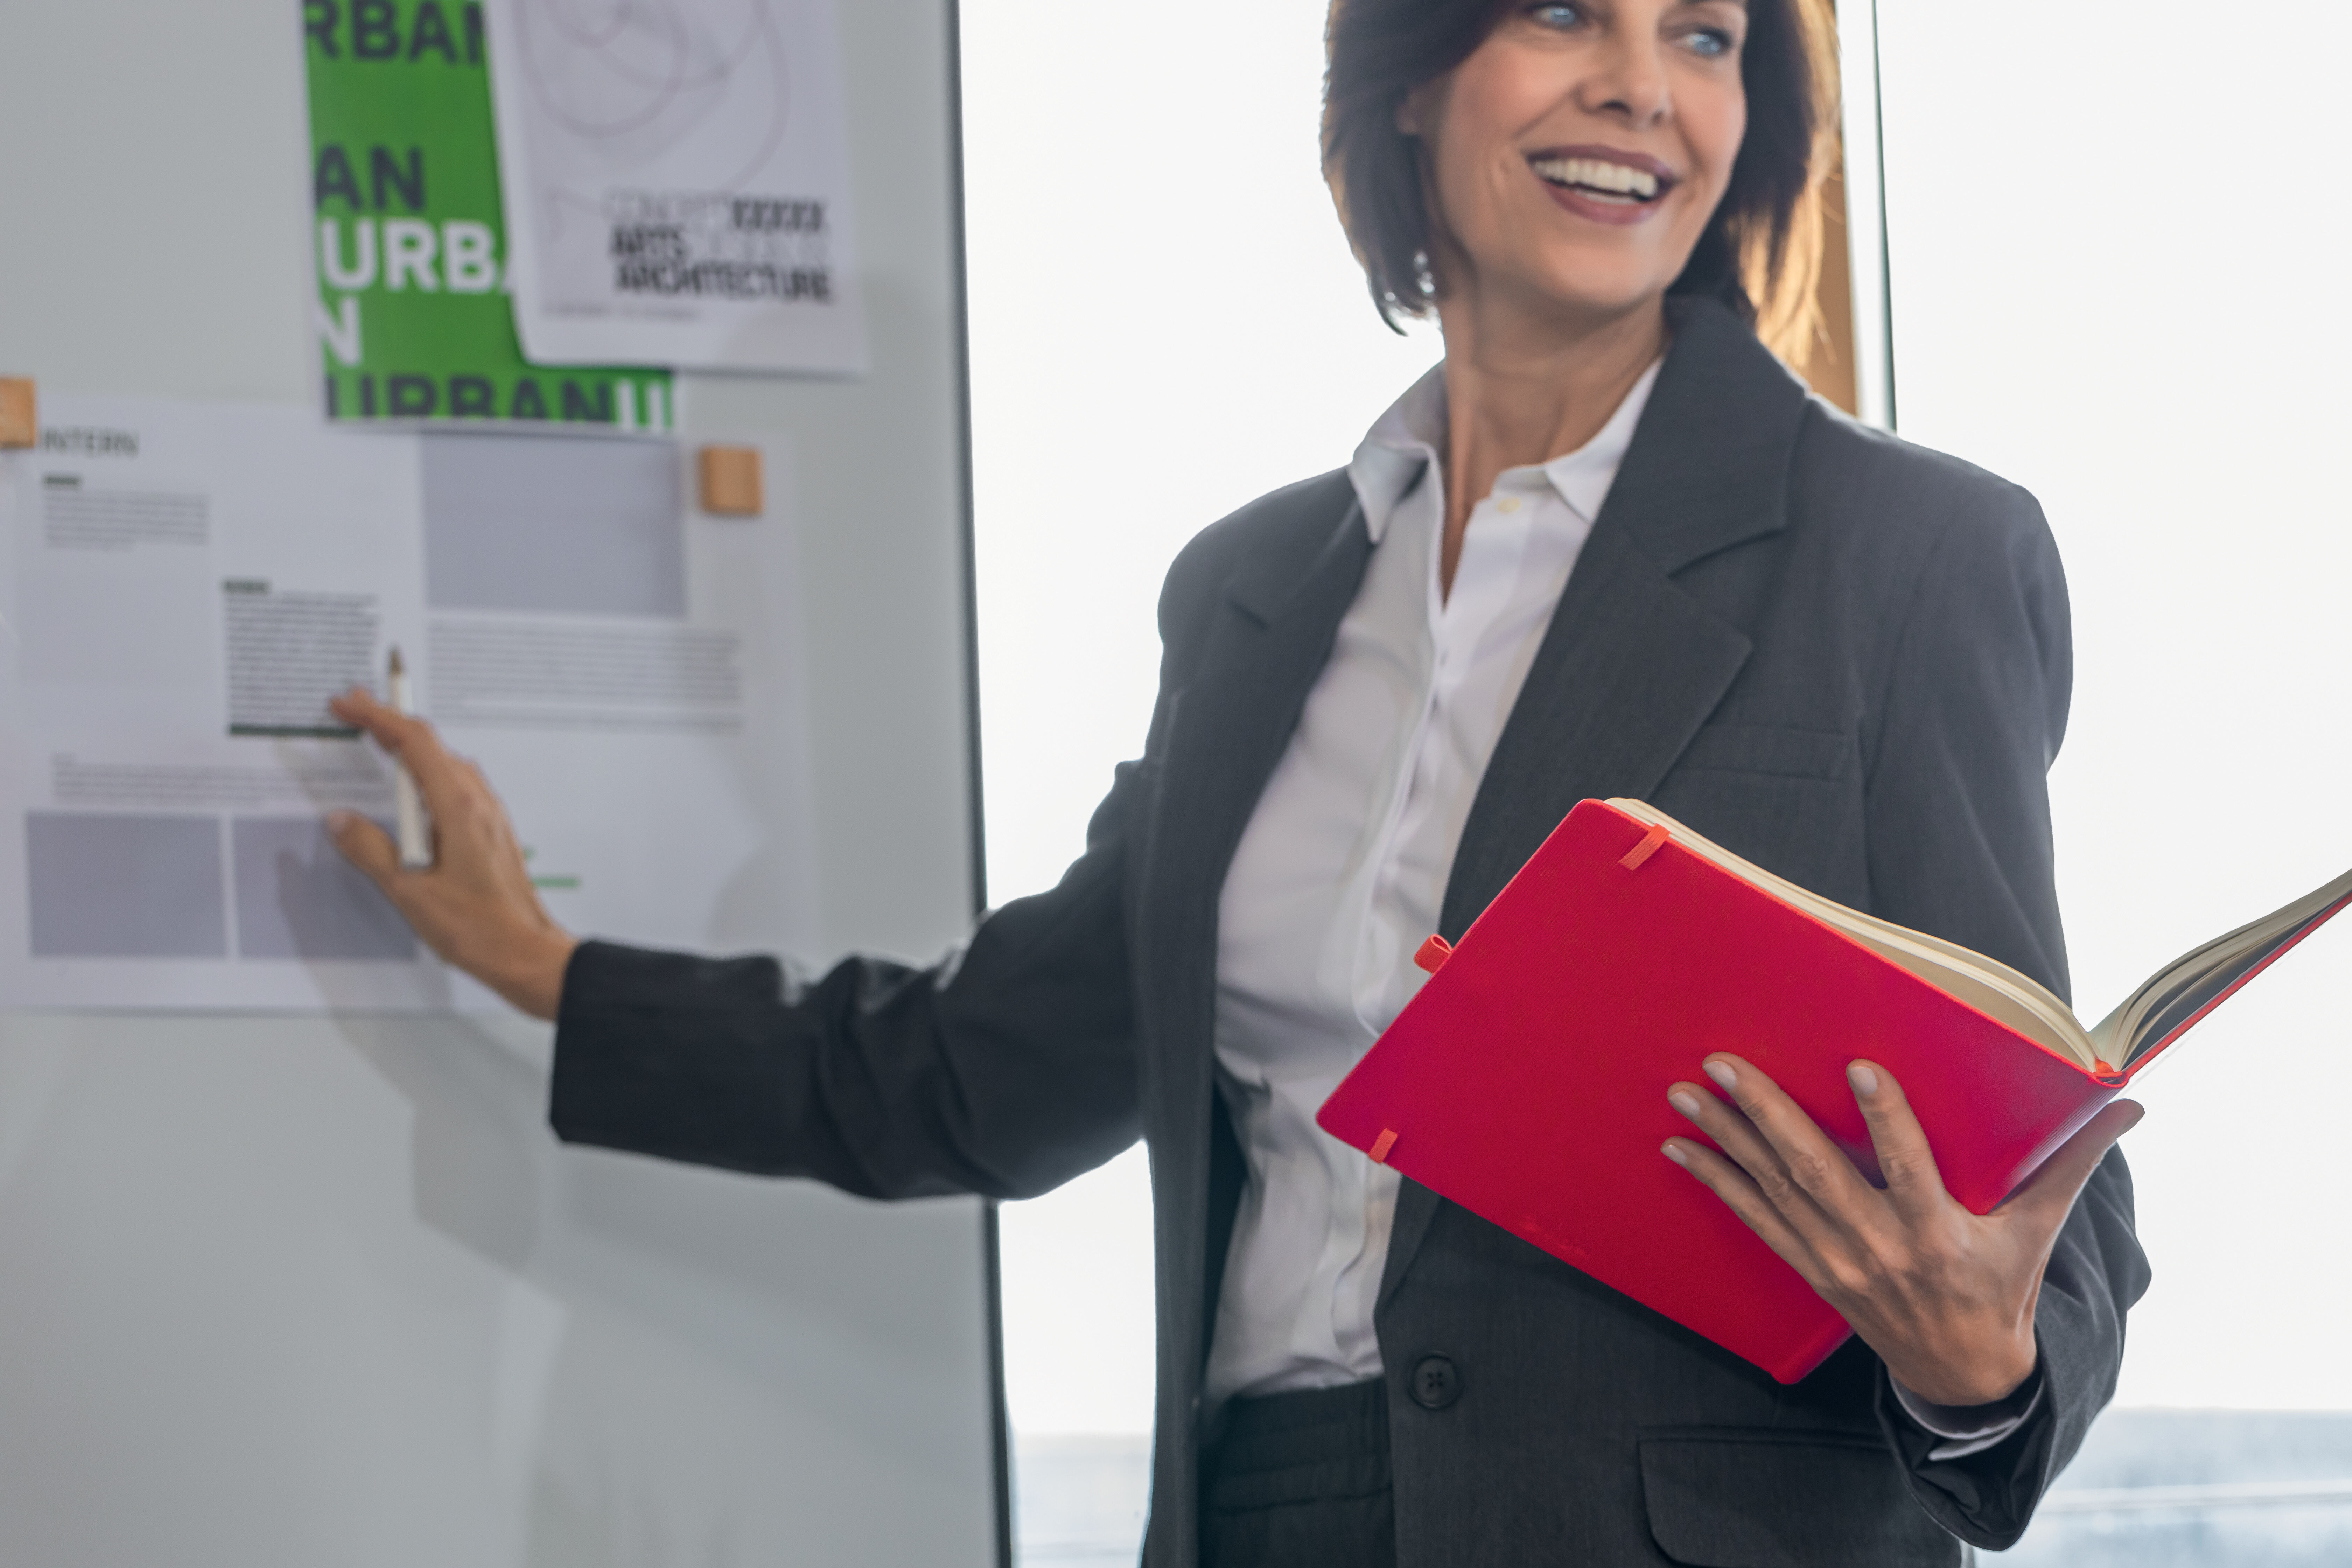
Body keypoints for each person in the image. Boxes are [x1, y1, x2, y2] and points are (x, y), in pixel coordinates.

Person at [329, 0, 2149, 1561]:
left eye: (1705, 35)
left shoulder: (1911, 555)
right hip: (1265, 1512)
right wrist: (547, 971)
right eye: (1560, 13)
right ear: (1415, 75)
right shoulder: (1256, 592)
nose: (1639, 85)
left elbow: (2042, 1181)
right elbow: (990, 1065)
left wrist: (1982, 1371)